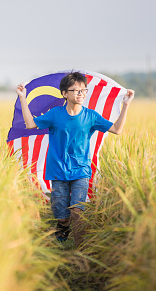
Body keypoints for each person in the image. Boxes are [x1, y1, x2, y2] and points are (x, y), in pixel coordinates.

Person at [15, 72, 134, 248]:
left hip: (81, 171)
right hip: (58, 171)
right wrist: (23, 98)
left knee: (78, 212)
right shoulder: (55, 114)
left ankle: (80, 249)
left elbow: (117, 129)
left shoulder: (91, 116)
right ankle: (62, 228)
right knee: (63, 216)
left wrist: (126, 105)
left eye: (83, 90)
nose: (81, 94)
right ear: (65, 94)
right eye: (76, 90)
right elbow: (31, 124)